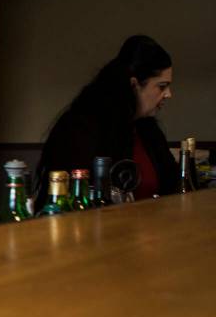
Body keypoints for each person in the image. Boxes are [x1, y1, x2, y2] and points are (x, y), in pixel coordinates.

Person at [34, 34, 177, 207]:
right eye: (162, 86)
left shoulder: (147, 130)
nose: (168, 94)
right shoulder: (81, 128)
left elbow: (172, 185)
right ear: (134, 85)